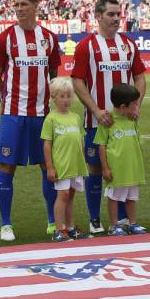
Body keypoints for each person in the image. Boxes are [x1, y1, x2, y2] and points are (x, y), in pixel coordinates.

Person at [0, 0, 61, 242]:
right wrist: (5, 102)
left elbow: (54, 74)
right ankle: (5, 224)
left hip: (42, 115)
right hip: (13, 114)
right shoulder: (3, 39)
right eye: (16, 5)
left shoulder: (50, 39)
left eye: (23, 4)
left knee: (47, 166)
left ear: (35, 5)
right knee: (7, 165)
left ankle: (53, 221)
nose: (19, 9)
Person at [71, 0, 146, 234]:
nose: (116, 18)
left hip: (126, 122)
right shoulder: (87, 46)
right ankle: (95, 219)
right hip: (97, 121)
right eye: (111, 14)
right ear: (98, 16)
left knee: (124, 169)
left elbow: (140, 77)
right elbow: (77, 80)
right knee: (95, 169)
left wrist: (137, 105)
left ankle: (124, 220)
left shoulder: (129, 45)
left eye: (118, 14)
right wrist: (95, 110)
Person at [94, 84, 147, 236]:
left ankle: (132, 223)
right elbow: (102, 146)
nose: (137, 106)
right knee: (114, 197)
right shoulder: (107, 122)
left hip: (132, 167)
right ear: (123, 106)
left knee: (131, 197)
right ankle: (113, 225)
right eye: (135, 104)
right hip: (117, 169)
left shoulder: (132, 119)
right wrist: (105, 168)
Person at [42, 77, 90, 242]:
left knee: (71, 195)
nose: (66, 100)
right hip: (61, 164)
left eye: (69, 96)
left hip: (75, 164)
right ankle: (58, 229)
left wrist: (83, 161)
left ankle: (70, 228)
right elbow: (47, 144)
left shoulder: (76, 117)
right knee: (62, 195)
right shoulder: (51, 118)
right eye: (62, 96)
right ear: (53, 97)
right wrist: (50, 167)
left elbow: (80, 141)